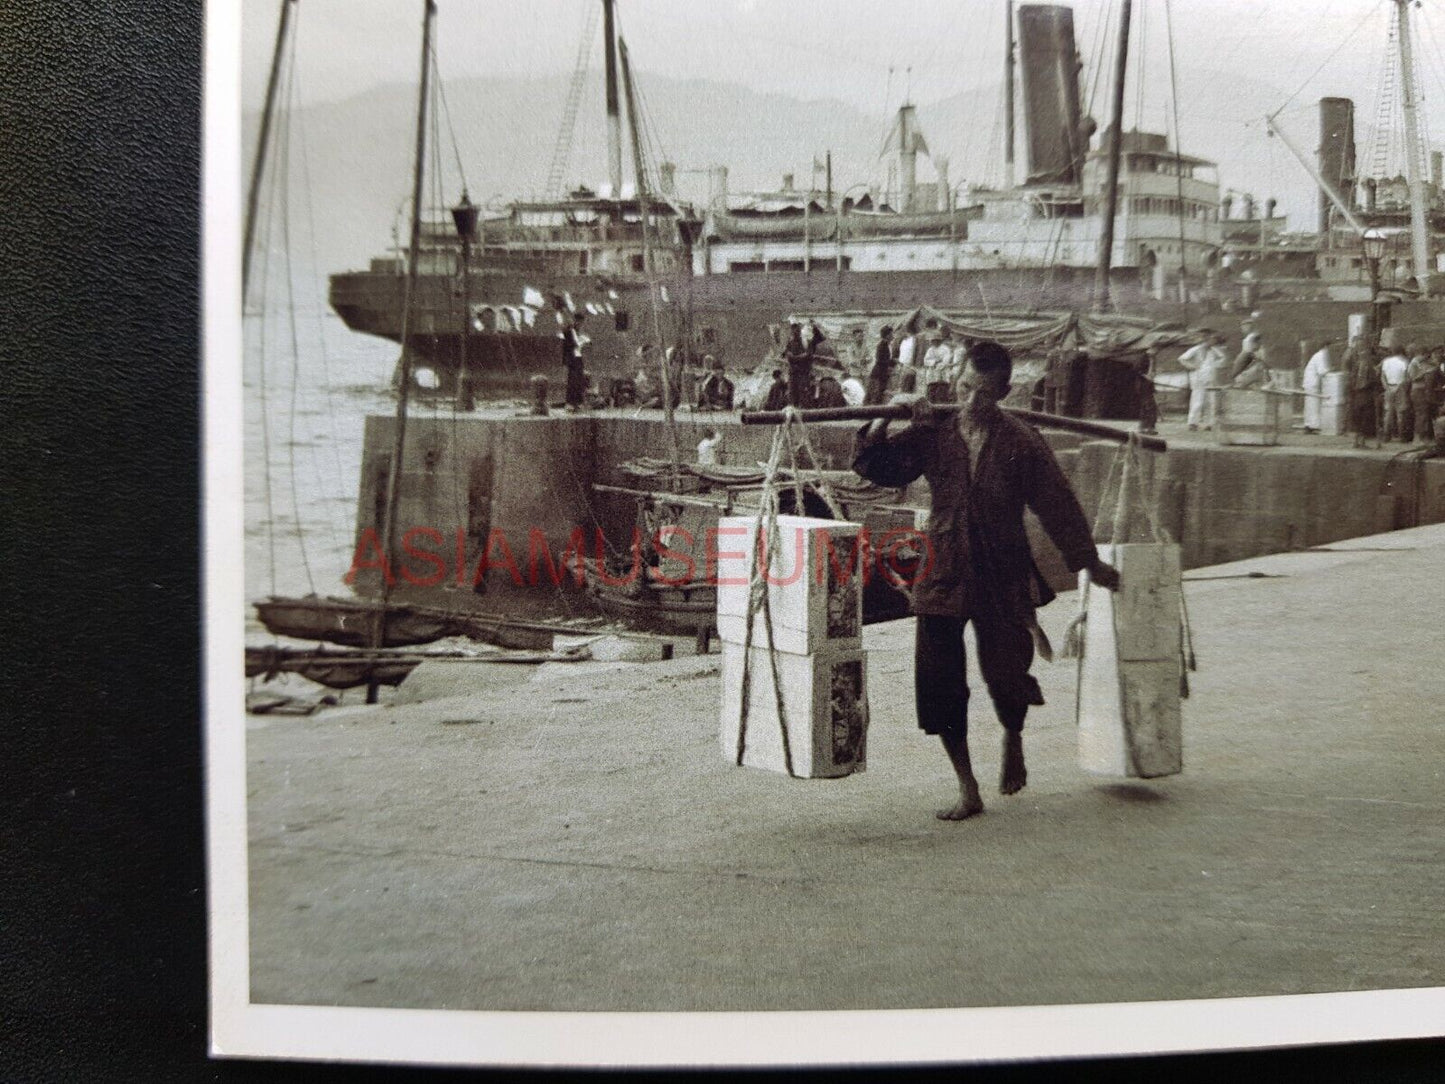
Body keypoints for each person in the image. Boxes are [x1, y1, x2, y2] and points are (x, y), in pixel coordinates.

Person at [852, 340, 1121, 820]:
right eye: (965, 387)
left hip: (1001, 570)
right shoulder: (934, 430)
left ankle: (1012, 736)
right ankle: (967, 785)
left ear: (1003, 390)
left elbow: (1057, 505)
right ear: (957, 381)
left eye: (983, 391)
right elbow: (877, 467)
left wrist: (1088, 563)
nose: (971, 400)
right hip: (944, 569)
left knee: (1006, 671)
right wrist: (889, 419)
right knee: (938, 680)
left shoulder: (1021, 440)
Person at [1177, 330, 1228, 430]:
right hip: (1198, 376)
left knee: (1210, 400)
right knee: (1198, 400)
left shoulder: (1214, 350)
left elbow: (1223, 359)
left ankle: (1208, 423)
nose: (1213, 342)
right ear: (1206, 340)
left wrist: (1215, 365)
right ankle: (1192, 422)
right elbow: (1182, 358)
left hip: (1210, 377)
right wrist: (1191, 366)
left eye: (1214, 341)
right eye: (1211, 340)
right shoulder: (1196, 349)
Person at [1346, 338, 1380, 448]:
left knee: (1357, 418)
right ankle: (1362, 442)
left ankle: (1355, 442)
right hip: (1366, 394)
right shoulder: (1369, 366)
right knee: (1365, 419)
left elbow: (1351, 380)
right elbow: (1373, 381)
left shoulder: (1356, 366)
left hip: (1357, 395)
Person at [1300, 339, 1333, 434]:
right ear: (1326, 347)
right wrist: (1330, 370)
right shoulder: (1321, 355)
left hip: (1311, 383)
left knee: (1310, 405)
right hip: (1312, 383)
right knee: (1313, 405)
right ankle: (1313, 426)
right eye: (1329, 347)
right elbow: (1321, 371)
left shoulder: (1318, 355)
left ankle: (1309, 425)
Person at [1380, 344, 1411, 442]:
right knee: (1400, 413)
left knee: (1388, 412)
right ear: (1401, 352)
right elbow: (1407, 377)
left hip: (1389, 387)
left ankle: (1386, 435)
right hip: (1400, 387)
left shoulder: (1386, 362)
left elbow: (1382, 376)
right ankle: (1402, 436)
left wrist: (1387, 387)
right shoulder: (1404, 362)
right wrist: (1401, 387)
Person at [1406, 346, 1436, 442]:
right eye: (1427, 355)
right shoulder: (1414, 364)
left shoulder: (1420, 363)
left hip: (1420, 390)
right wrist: (1424, 372)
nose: (1428, 357)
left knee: (1423, 413)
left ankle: (1422, 436)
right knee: (1421, 413)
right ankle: (1419, 437)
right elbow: (1412, 378)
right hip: (1418, 390)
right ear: (1422, 354)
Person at [561, 312, 587, 410]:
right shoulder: (569, 331)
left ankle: (578, 401)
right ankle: (570, 402)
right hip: (572, 359)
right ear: (576, 321)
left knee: (579, 380)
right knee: (572, 380)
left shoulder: (577, 331)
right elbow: (568, 345)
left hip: (578, 358)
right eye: (579, 322)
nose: (580, 324)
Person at [865, 325, 895, 405]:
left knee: (878, 394)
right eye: (892, 334)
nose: (893, 336)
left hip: (881, 374)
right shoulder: (881, 345)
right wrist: (892, 362)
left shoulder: (887, 345)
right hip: (879, 374)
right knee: (876, 394)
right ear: (887, 335)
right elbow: (881, 360)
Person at [782, 322, 809, 409]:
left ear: (799, 331)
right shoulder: (790, 343)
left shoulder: (804, 342)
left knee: (802, 391)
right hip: (793, 372)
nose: (795, 332)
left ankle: (802, 409)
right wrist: (799, 357)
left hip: (802, 372)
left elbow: (807, 355)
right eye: (793, 331)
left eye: (797, 330)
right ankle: (793, 409)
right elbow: (789, 355)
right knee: (793, 391)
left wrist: (796, 358)